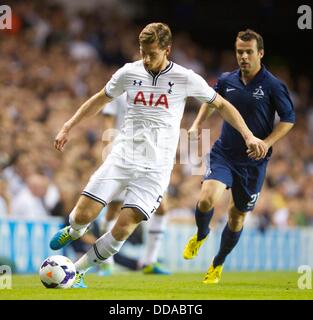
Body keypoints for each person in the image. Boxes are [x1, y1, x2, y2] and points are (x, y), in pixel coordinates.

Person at [49, 22, 266, 288]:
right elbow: (100, 99)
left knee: (123, 227)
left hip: (155, 170)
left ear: (167, 50)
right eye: (143, 52)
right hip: (122, 157)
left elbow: (221, 104)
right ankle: (74, 230)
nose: (146, 58)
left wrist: (248, 135)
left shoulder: (185, 77)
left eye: (152, 53)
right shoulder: (129, 72)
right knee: (82, 215)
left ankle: (78, 270)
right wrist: (68, 125)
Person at [183, 29, 295, 284]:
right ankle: (201, 235)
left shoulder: (273, 86)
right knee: (206, 199)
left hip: (253, 163)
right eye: (239, 52)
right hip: (224, 153)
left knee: (237, 216)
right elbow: (211, 101)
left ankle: (217, 264)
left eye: (249, 52)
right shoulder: (226, 79)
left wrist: (266, 143)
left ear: (260, 53)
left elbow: (289, 119)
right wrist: (198, 124)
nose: (243, 57)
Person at [99, 94, 170, 275]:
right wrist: (108, 149)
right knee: (113, 209)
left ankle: (149, 261)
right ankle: (106, 261)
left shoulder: (159, 88)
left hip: (150, 156)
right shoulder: (122, 87)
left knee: (162, 208)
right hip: (123, 155)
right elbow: (108, 120)